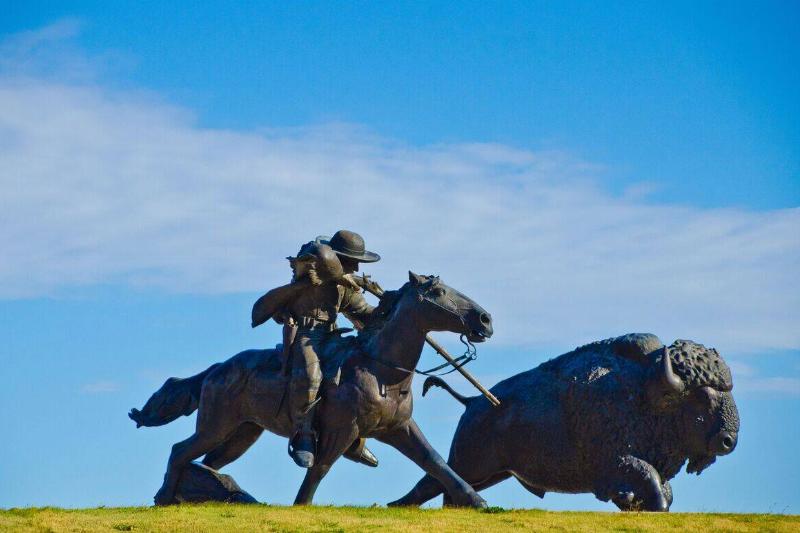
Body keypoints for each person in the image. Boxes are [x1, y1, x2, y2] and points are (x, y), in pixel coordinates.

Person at [252, 230, 381, 468]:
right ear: (339, 258)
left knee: (358, 373)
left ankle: (352, 437)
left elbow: (362, 313)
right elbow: (275, 309)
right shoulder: (308, 279)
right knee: (311, 377)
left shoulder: (345, 287)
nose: (357, 268)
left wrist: (394, 309)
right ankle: (304, 435)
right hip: (306, 335)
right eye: (353, 262)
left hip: (332, 336)